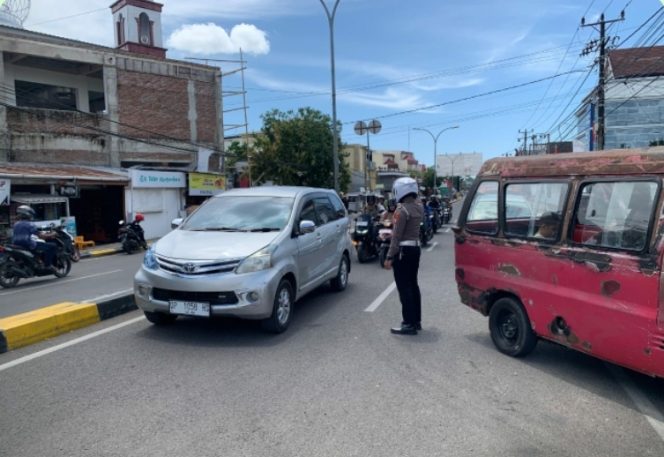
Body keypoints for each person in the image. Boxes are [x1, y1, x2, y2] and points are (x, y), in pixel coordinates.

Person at [383, 177, 424, 335]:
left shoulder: (401, 210)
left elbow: (396, 236)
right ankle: (416, 321)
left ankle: (408, 323)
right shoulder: (418, 208)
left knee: (404, 288)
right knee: (413, 285)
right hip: (415, 249)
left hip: (403, 252)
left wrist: (389, 257)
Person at [11, 205, 57, 270]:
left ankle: (38, 261)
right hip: (28, 244)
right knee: (52, 246)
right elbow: (41, 236)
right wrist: (52, 234)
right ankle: (48, 265)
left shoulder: (16, 224)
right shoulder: (30, 224)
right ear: (29, 215)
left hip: (16, 245)